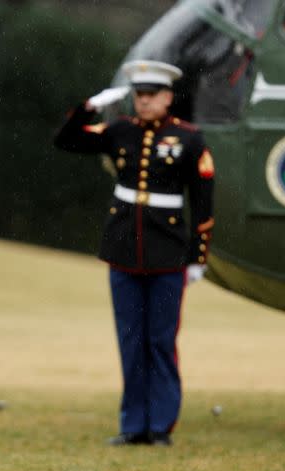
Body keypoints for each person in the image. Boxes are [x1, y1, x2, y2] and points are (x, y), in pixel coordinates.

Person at [54, 60, 214, 446]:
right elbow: (66, 140)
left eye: (151, 96)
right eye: (138, 96)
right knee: (130, 340)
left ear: (167, 97)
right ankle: (133, 425)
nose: (143, 103)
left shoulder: (189, 139)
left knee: (160, 341)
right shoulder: (119, 130)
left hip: (167, 254)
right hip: (124, 249)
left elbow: (204, 202)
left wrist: (198, 256)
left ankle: (160, 426)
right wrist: (90, 107)